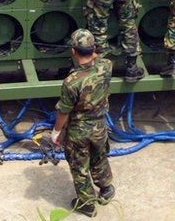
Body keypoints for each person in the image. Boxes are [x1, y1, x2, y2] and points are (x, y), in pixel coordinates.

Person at [51, 29, 115, 218]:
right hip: (100, 126)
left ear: (73, 51)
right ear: (93, 48)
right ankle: (106, 189)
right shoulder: (106, 66)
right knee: (99, 156)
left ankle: (87, 204)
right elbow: (98, 58)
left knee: (79, 166)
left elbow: (64, 111)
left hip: (79, 131)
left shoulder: (71, 82)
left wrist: (56, 132)